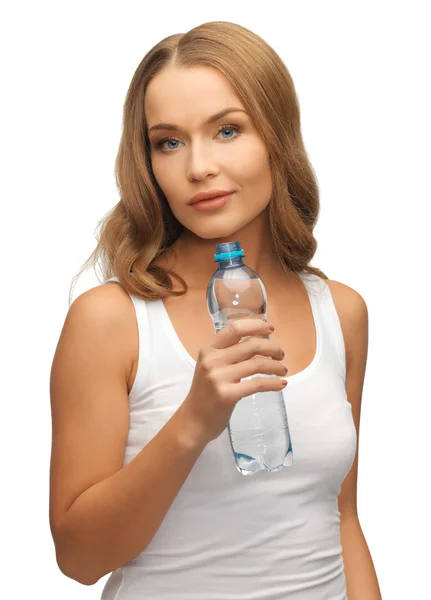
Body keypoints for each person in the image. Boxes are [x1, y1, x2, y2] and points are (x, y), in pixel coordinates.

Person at [49, 20, 382, 600]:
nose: (198, 166)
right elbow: (79, 559)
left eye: (227, 130)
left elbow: (342, 520)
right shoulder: (113, 321)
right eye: (169, 142)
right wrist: (192, 424)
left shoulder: (342, 312)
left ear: (278, 137)